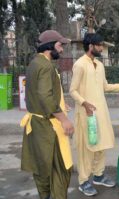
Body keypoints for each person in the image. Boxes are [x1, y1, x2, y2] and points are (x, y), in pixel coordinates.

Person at [69, 33, 119, 196]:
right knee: (87, 148)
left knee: (101, 145)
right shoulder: (80, 65)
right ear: (91, 46)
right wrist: (85, 103)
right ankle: (83, 181)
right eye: (99, 45)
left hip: (101, 112)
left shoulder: (99, 65)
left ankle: (98, 175)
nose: (101, 48)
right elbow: (72, 91)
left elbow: (105, 86)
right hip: (86, 114)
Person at [20, 30, 74, 199]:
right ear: (48, 46)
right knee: (62, 169)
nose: (62, 49)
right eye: (60, 45)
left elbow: (39, 92)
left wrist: (60, 102)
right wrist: (64, 119)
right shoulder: (45, 65)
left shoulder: (34, 63)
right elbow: (44, 95)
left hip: (36, 124)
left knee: (41, 168)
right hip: (48, 126)